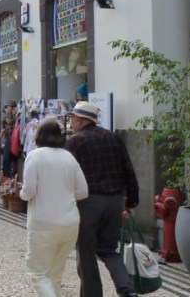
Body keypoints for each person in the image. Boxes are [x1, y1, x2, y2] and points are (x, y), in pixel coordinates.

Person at [65, 101, 139, 297]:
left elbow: (68, 176)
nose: (70, 121)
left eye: (72, 117)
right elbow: (128, 170)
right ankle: (127, 290)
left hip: (88, 203)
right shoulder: (113, 138)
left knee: (86, 252)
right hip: (114, 201)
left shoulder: (75, 141)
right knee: (109, 249)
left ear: (80, 120)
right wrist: (131, 202)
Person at [20, 120, 88, 297]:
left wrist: (21, 194)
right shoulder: (69, 157)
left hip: (43, 224)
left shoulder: (35, 156)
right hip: (70, 223)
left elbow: (29, 191)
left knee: (39, 272)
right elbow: (83, 191)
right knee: (55, 273)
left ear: (38, 135)